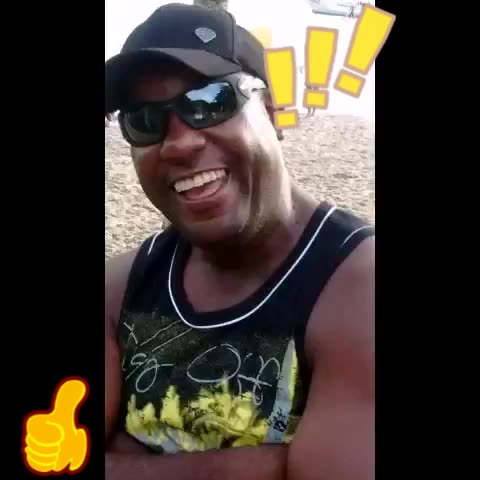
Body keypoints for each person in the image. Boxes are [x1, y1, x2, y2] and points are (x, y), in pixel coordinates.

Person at [105, 3, 375, 480]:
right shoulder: (119, 289)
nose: (180, 143)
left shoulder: (356, 286)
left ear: (270, 112)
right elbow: (55, 453)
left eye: (210, 101)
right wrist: (269, 466)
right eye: (144, 120)